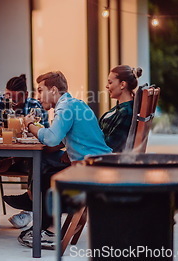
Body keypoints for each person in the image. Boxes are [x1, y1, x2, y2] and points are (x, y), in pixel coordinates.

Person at [16, 71, 112, 249]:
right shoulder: (74, 104)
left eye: (39, 90)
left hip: (92, 169)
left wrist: (30, 126)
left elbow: (52, 139)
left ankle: (50, 231)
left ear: (53, 90)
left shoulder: (65, 107)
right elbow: (61, 139)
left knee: (47, 178)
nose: (37, 96)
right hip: (98, 163)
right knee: (46, 173)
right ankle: (44, 227)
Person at [0, 74, 50, 230]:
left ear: (26, 95)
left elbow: (43, 137)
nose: (12, 103)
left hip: (23, 159)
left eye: (17, 99)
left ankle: (29, 210)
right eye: (9, 97)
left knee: (37, 161)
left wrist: (11, 159)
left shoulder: (36, 107)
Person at [100, 65, 143, 152]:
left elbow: (110, 146)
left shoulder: (125, 113)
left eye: (110, 82)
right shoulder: (122, 109)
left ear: (122, 84)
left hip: (104, 158)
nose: (107, 86)